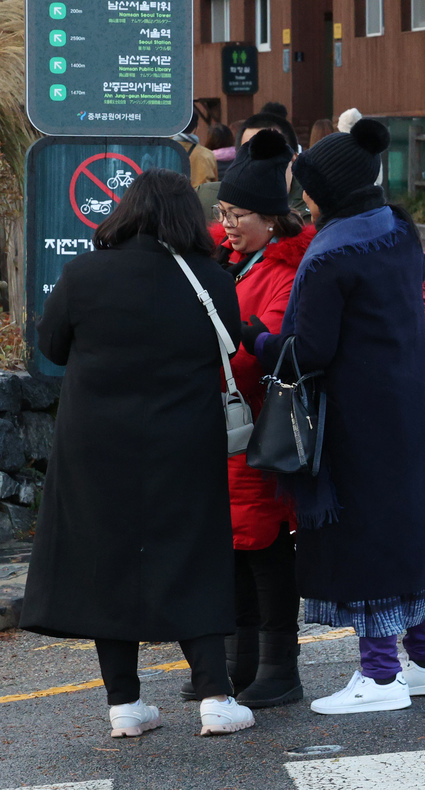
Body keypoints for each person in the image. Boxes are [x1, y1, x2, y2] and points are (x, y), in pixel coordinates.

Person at [21, 169, 255, 738]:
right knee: (195, 557)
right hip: (185, 444)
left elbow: (49, 348)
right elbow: (233, 340)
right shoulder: (211, 280)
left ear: (127, 211)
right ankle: (215, 700)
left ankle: (125, 706)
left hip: (95, 447)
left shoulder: (83, 274)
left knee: (110, 562)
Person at [247, 118, 425, 715]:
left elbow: (308, 350)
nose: (302, 201)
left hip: (354, 420)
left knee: (363, 539)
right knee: (403, 530)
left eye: (307, 189)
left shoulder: (332, 252)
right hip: (407, 407)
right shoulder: (398, 230)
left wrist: (258, 340)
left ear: (329, 191)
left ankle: (381, 676)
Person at [180, 130, 314, 709]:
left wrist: (207, 348)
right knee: (232, 545)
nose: (228, 224)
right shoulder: (230, 260)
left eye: (239, 215)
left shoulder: (285, 270)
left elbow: (267, 346)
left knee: (264, 546)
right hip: (224, 422)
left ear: (270, 218)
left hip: (258, 425)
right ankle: (240, 661)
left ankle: (280, 667)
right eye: (224, 213)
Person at [176, 115, 219, 187]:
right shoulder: (207, 154)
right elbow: (213, 186)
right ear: (196, 128)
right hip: (198, 197)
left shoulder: (165, 150)